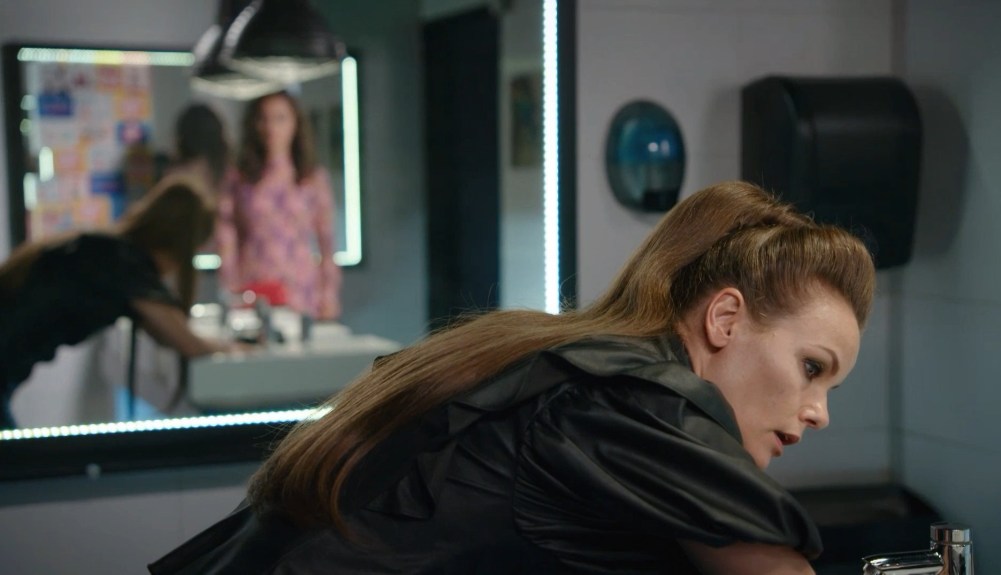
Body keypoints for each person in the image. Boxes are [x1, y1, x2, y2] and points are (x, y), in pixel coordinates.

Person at [149, 180, 876, 574]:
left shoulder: (576, 365)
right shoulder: (642, 404)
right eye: (811, 368)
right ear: (725, 319)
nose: (819, 411)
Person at [0, 178, 239, 428]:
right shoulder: (124, 265)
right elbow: (188, 343)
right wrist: (236, 350)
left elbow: (164, 333)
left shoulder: (108, 251)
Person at [215, 90, 341, 321]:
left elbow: (326, 241)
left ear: (295, 124)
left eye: (280, 118)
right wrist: (229, 288)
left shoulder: (311, 177)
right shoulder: (240, 178)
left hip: (300, 289)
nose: (271, 127)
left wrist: (329, 293)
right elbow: (226, 237)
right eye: (263, 119)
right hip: (252, 286)